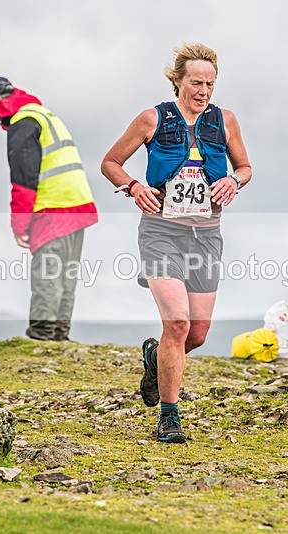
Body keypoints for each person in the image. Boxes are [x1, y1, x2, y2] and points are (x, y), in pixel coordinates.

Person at [101, 44, 252, 443]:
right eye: (196, 82)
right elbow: (110, 162)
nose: (203, 90)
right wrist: (133, 186)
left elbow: (245, 167)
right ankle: (170, 417)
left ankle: (156, 358)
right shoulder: (152, 118)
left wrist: (232, 181)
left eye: (210, 84)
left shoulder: (225, 121)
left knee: (196, 334)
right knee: (178, 323)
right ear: (178, 81)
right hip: (160, 231)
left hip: (207, 234)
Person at [0, 77, 98, 341]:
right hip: (77, 205)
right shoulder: (44, 115)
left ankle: (42, 336)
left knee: (47, 274)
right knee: (66, 276)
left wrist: (19, 225)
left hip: (52, 207)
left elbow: (23, 180)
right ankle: (59, 336)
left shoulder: (23, 122)